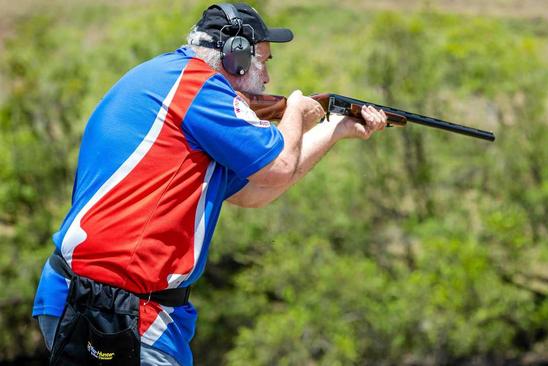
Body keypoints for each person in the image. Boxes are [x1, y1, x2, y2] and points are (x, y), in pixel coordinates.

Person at [32, 3, 387, 366]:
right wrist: (296, 113)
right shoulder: (197, 86)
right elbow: (279, 168)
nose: (266, 79)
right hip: (114, 308)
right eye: (263, 62)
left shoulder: (174, 81)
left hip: (103, 301)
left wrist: (334, 129)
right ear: (236, 57)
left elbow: (257, 192)